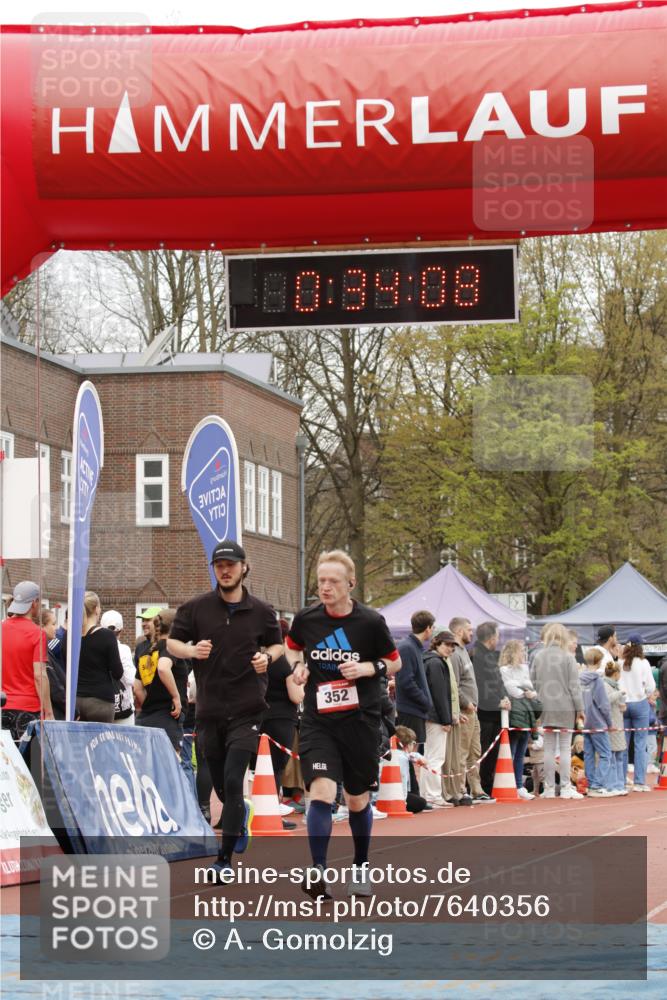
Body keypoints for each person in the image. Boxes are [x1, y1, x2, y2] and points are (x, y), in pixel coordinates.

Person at [285, 549, 401, 900]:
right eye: (321, 581)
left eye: (333, 581)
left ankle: (361, 866)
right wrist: (298, 667)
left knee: (356, 798)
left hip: (360, 720)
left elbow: (394, 663)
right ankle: (319, 870)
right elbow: (292, 647)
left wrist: (367, 668)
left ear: (350, 584)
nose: (325, 587)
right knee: (320, 791)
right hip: (319, 720)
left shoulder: (370, 622)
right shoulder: (307, 619)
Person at [167, 541, 283, 883]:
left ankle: (224, 860)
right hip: (209, 710)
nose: (225, 570)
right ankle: (239, 813)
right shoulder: (196, 609)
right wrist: (191, 650)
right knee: (221, 788)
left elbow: (277, 644)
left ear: (244, 567)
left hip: (248, 708)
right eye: (219, 566)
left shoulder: (262, 611)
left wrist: (267, 658)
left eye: (231, 564)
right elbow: (172, 642)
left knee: (234, 781)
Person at [261, 618, 305, 830]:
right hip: (282, 719)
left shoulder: (259, 659)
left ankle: (254, 810)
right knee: (276, 768)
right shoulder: (285, 663)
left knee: (258, 768)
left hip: (259, 717)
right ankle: (272, 813)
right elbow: (296, 696)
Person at [532, 623, 584, 799]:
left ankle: (548, 788)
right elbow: (574, 687)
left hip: (545, 707)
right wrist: (580, 709)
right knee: (564, 749)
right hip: (565, 708)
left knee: (548, 749)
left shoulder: (538, 656)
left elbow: (533, 682)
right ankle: (565, 787)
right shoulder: (568, 657)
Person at [1, 581, 52, 741]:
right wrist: (49, 711)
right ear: (34, 603)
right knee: (28, 756)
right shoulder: (37, 634)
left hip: (3, 705)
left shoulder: (2, 628)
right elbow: (40, 676)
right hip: (28, 709)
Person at [135, 610, 189, 754]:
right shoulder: (171, 647)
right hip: (168, 718)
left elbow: (137, 688)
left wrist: (151, 704)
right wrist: (176, 697)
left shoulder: (145, 652)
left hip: (145, 719)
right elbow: (163, 668)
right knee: (170, 764)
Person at [448, 617, 490, 803]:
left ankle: (476, 789)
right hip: (465, 711)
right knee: (462, 752)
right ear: (459, 631)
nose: (472, 633)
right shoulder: (454, 653)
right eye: (469, 630)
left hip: (473, 710)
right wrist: (465, 703)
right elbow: (454, 685)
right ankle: (459, 789)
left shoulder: (464, 651)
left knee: (475, 751)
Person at [472, 621, 510, 795]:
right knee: (483, 750)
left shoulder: (490, 655)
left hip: (495, 711)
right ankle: (478, 786)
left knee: (492, 751)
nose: (498, 639)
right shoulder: (477, 655)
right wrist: (496, 702)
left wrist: (505, 697)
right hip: (484, 712)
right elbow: (480, 684)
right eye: (497, 636)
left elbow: (498, 680)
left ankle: (487, 785)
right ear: (492, 637)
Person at [499, 639, 540, 800]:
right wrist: (525, 690)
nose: (523, 654)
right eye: (521, 651)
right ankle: (512, 785)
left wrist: (527, 690)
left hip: (526, 713)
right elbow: (512, 689)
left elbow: (530, 688)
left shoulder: (524, 668)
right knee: (512, 750)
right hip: (515, 714)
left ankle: (519, 786)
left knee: (521, 752)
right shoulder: (504, 669)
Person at [76, 592, 124, 722]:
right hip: (100, 701)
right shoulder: (107, 636)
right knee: (102, 736)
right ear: (97, 609)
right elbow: (118, 673)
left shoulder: (70, 636)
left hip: (76, 700)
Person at [421, 629, 455, 808]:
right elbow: (440, 693)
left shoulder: (427, 659)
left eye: (452, 646)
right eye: (447, 644)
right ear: (437, 644)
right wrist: (446, 719)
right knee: (436, 757)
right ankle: (433, 795)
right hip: (435, 716)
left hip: (428, 714)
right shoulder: (435, 663)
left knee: (428, 756)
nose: (450, 648)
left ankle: (426, 795)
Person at [618, 634, 656, 792]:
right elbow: (650, 686)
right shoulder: (643, 663)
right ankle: (639, 782)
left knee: (623, 744)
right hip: (640, 703)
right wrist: (646, 694)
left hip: (623, 704)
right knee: (641, 744)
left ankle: (621, 781)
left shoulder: (620, 662)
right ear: (640, 647)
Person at [395, 611, 434, 753]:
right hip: (410, 710)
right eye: (433, 627)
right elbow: (406, 681)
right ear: (428, 628)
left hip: (416, 710)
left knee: (414, 756)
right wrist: (425, 701)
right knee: (409, 755)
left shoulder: (414, 647)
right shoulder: (407, 647)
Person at [579, 648, 615, 797]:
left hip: (585, 721)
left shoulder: (579, 679)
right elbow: (604, 705)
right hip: (598, 722)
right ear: (599, 661)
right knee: (606, 754)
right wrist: (610, 723)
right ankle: (597, 785)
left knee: (588, 754)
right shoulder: (597, 681)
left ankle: (592, 784)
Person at [100, 610, 136, 725]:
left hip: (101, 706)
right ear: (121, 630)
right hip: (123, 709)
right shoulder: (124, 650)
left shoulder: (95, 647)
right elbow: (130, 679)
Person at [603, 661, 628, 796]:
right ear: (616, 673)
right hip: (611, 726)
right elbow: (606, 701)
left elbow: (616, 702)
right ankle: (612, 786)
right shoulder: (605, 685)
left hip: (618, 724)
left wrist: (622, 705)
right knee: (612, 757)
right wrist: (620, 694)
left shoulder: (615, 686)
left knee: (619, 756)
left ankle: (620, 784)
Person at [41, 609, 67, 720]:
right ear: (42, 626)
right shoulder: (55, 642)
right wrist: (70, 707)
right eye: (53, 624)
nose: (56, 627)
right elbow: (53, 685)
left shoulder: (47, 648)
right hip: (55, 710)